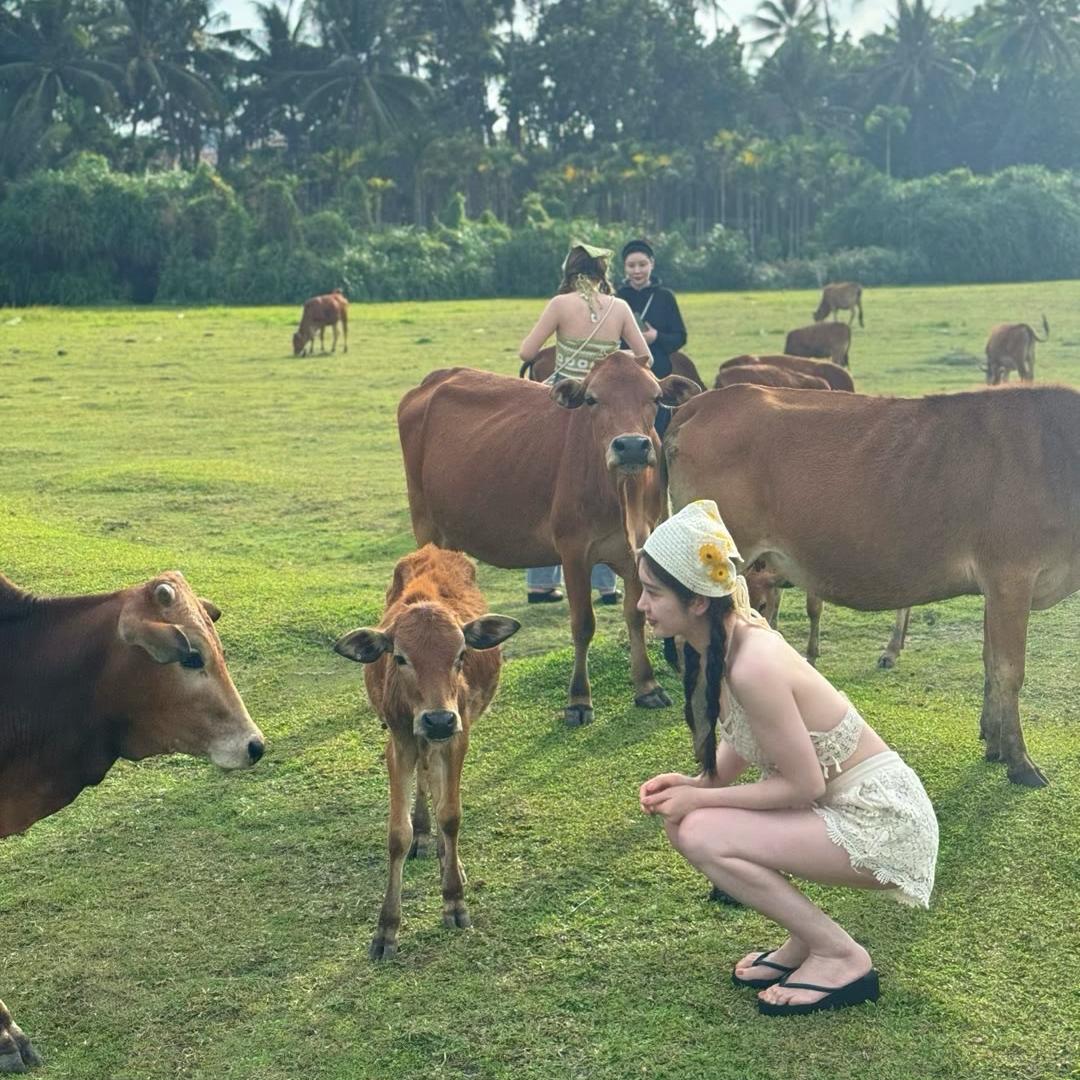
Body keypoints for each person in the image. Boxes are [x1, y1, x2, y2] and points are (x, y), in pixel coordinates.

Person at [637, 500, 938, 1016]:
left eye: (653, 592)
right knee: (689, 819)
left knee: (701, 831)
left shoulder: (752, 663)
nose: (641, 604)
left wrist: (699, 799)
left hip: (882, 821)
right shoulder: (723, 644)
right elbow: (748, 741)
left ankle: (840, 954)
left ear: (699, 602)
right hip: (837, 807)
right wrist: (697, 783)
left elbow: (804, 786)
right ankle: (806, 939)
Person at [518, 241, 652, 606]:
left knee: (549, 493)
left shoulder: (560, 305)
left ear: (570, 272)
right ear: (602, 274)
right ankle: (607, 585)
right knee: (608, 494)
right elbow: (645, 357)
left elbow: (527, 353)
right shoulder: (620, 306)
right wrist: (612, 356)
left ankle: (541, 583)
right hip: (607, 408)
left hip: (565, 405)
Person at [616, 239, 686, 437]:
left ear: (652, 264)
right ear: (624, 268)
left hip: (658, 374)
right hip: (623, 378)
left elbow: (680, 337)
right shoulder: (616, 297)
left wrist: (656, 337)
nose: (637, 271)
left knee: (660, 431)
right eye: (631, 266)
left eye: (642, 265)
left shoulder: (665, 297)